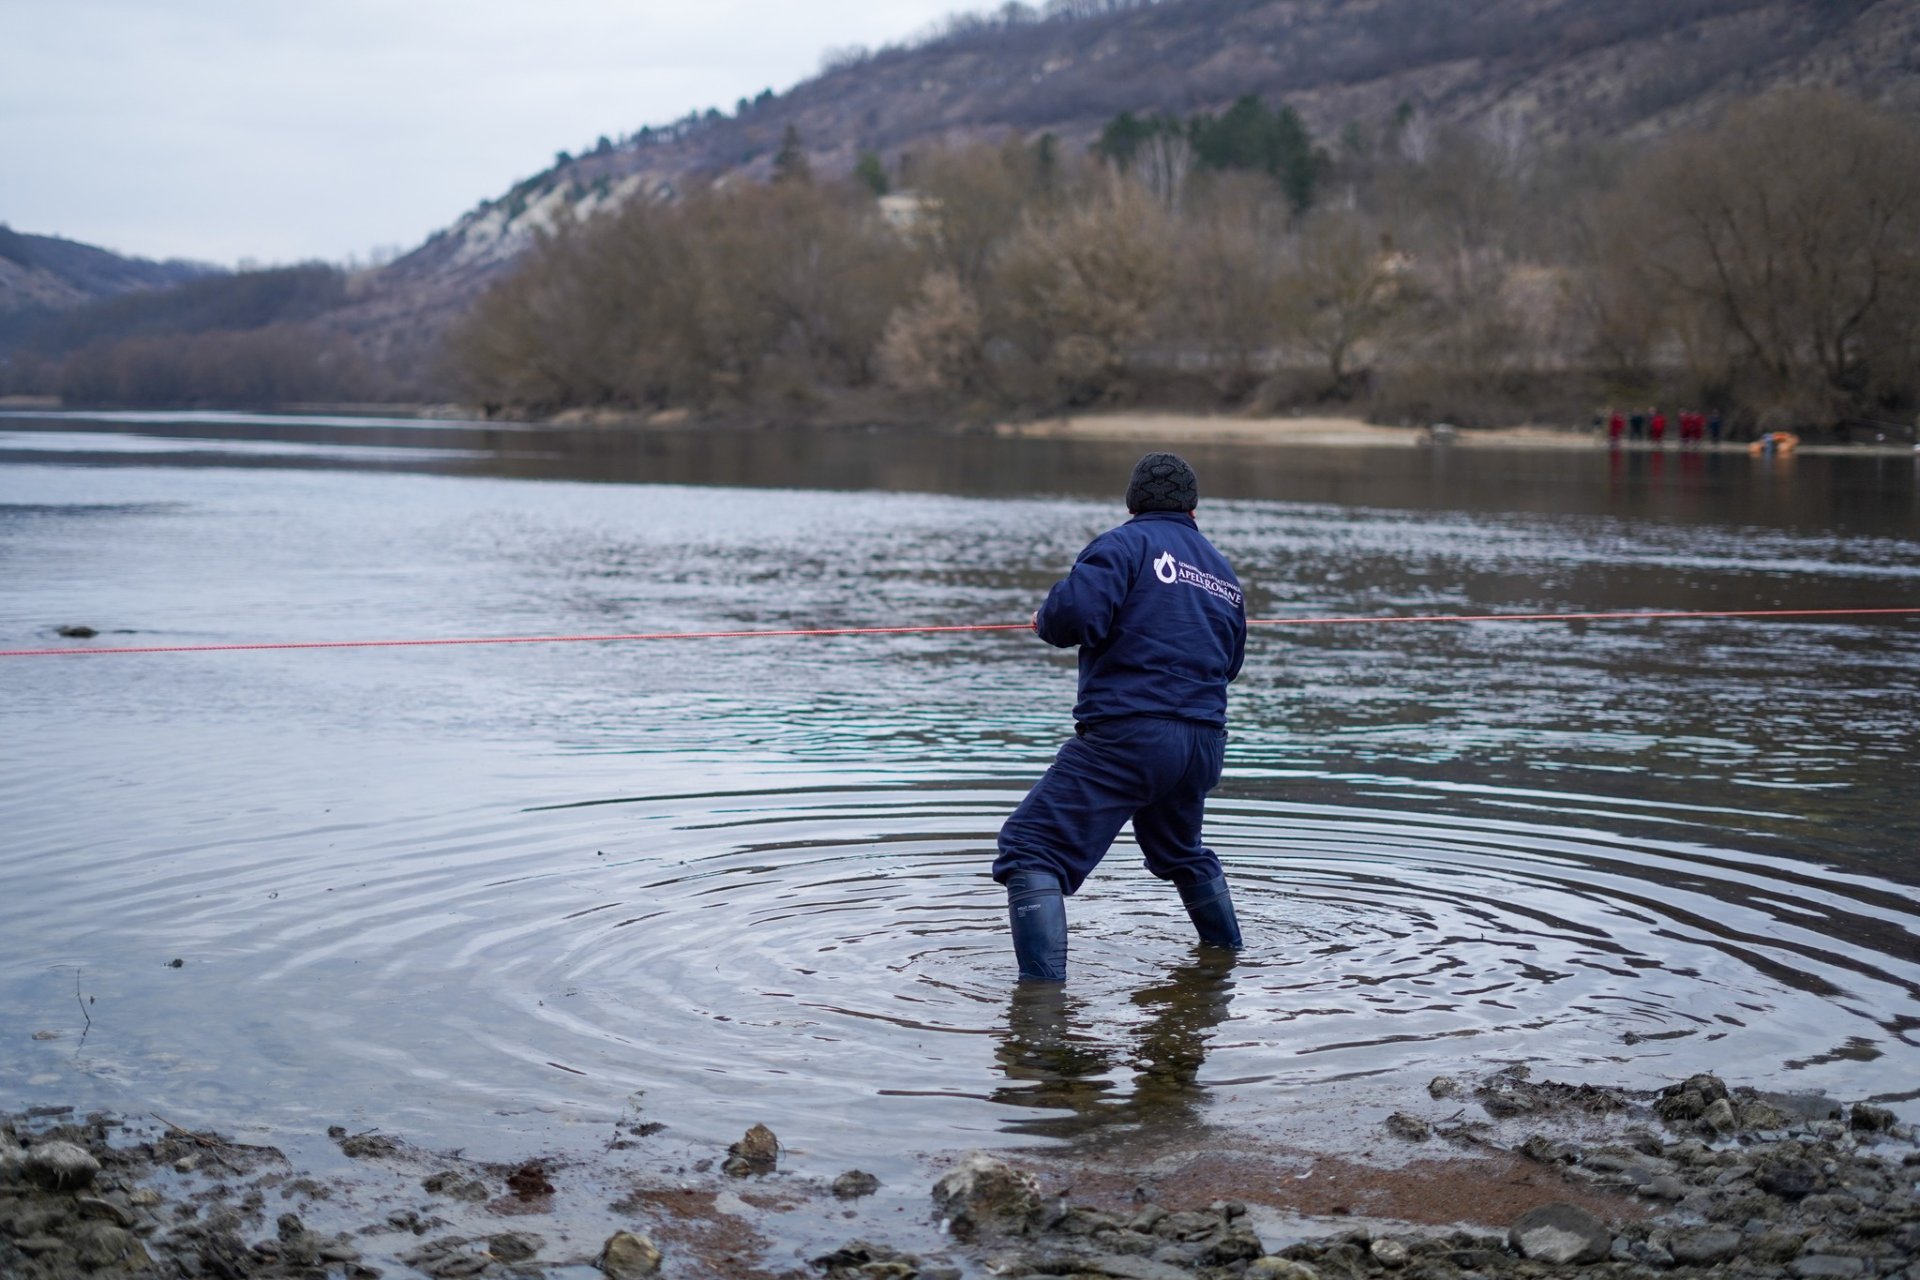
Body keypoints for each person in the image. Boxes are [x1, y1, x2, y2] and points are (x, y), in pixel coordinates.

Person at [993, 453, 1248, 983]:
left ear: (1133, 503)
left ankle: (1041, 1011)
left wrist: (1047, 619)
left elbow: (1075, 617)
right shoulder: (1222, 572)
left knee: (1030, 847)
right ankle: (1226, 960)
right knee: (1180, 852)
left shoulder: (1123, 544)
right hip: (1202, 745)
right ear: (1193, 508)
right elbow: (1232, 664)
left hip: (1133, 736)